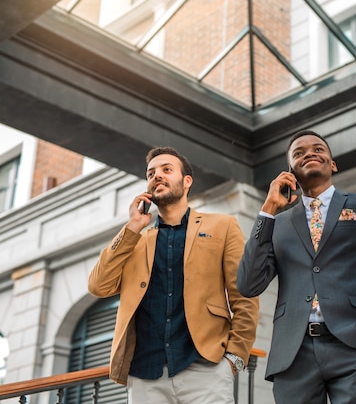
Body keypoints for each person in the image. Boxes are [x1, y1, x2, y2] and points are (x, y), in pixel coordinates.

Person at [237, 130, 356, 404]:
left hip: (353, 347)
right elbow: (248, 284)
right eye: (299, 153)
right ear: (289, 171)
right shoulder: (276, 224)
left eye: (318, 149)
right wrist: (268, 209)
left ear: (333, 163)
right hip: (293, 354)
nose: (310, 154)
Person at [88, 147, 259, 404]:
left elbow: (244, 294)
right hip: (145, 375)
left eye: (166, 170)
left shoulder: (222, 226)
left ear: (186, 181)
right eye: (151, 173)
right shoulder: (135, 239)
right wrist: (132, 227)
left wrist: (234, 357)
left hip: (205, 369)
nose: (157, 176)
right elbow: (98, 286)